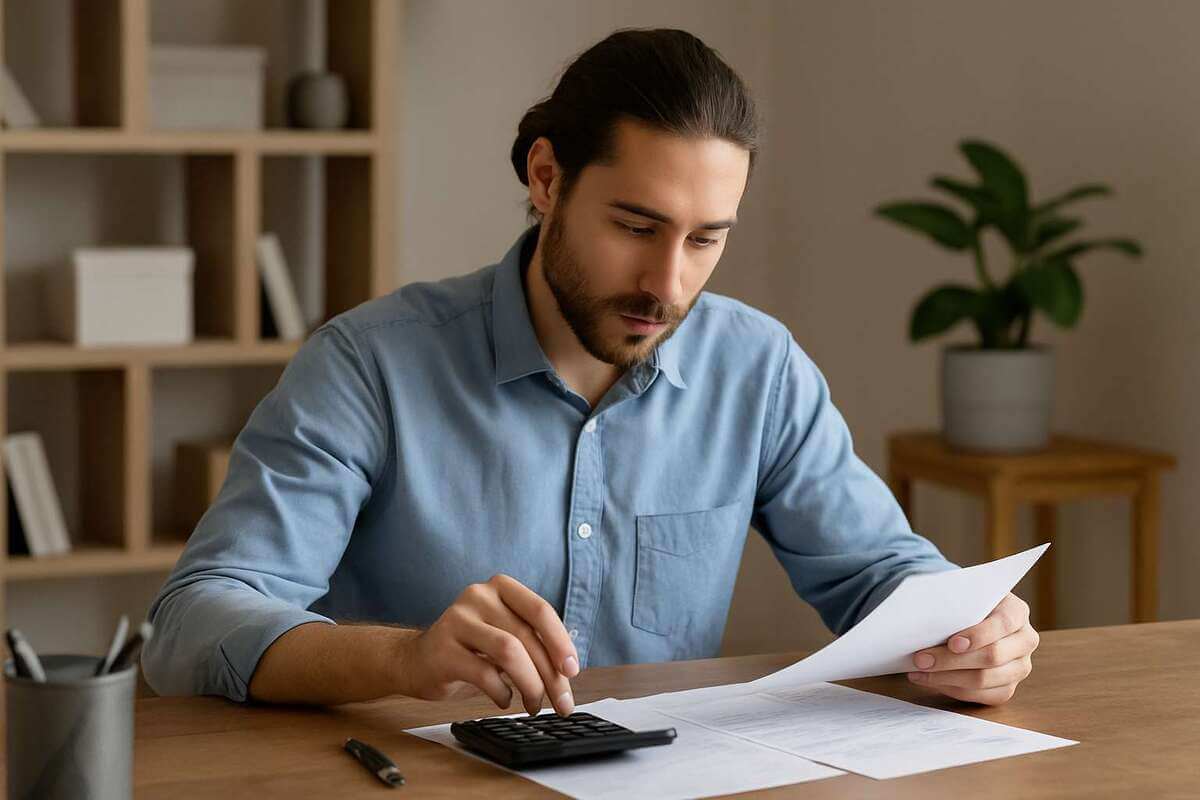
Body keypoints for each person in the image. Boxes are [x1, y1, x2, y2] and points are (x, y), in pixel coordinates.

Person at [142, 27, 1038, 716]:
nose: (668, 282)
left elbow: (879, 572)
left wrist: (969, 635)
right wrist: (406, 660)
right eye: (637, 227)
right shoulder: (369, 365)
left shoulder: (756, 369)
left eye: (706, 240)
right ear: (546, 178)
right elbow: (192, 624)